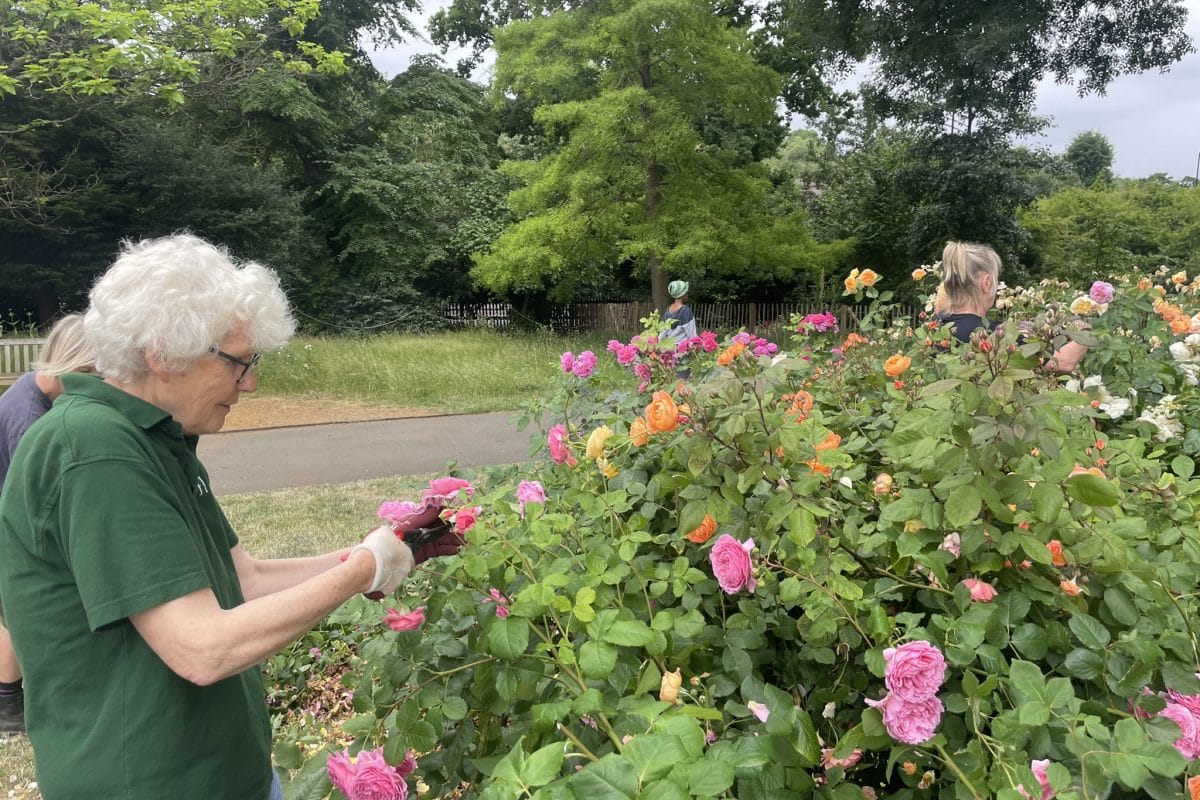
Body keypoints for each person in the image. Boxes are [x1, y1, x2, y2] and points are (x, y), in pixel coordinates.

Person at [0, 234, 417, 800]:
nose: (251, 383)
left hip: (224, 775)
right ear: (163, 351)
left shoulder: (158, 439)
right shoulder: (93, 449)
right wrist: (361, 571)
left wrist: (381, 549)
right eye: (238, 363)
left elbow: (244, 580)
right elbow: (202, 648)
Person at [0, 314, 96, 733]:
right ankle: (7, 704)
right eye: (89, 374)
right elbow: (40, 497)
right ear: (67, 365)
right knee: (15, 609)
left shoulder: (35, 390)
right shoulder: (30, 420)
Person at [933, 240, 1087, 373]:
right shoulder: (994, 335)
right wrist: (1086, 331)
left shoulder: (935, 326)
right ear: (986, 283)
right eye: (996, 280)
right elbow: (1064, 362)